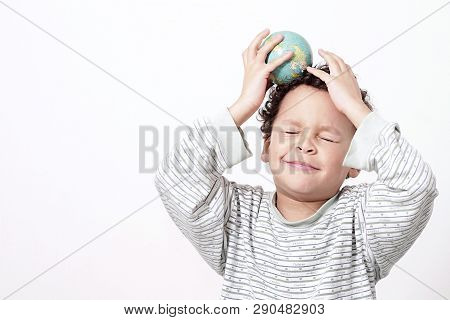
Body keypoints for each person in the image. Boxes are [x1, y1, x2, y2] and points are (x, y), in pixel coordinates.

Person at [154, 28, 439, 299]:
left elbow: (415, 187)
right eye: (290, 132)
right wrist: (244, 103)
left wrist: (356, 109)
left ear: (355, 161)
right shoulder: (236, 218)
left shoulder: (362, 222)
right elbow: (175, 177)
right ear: (267, 147)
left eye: (326, 138)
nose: (304, 145)